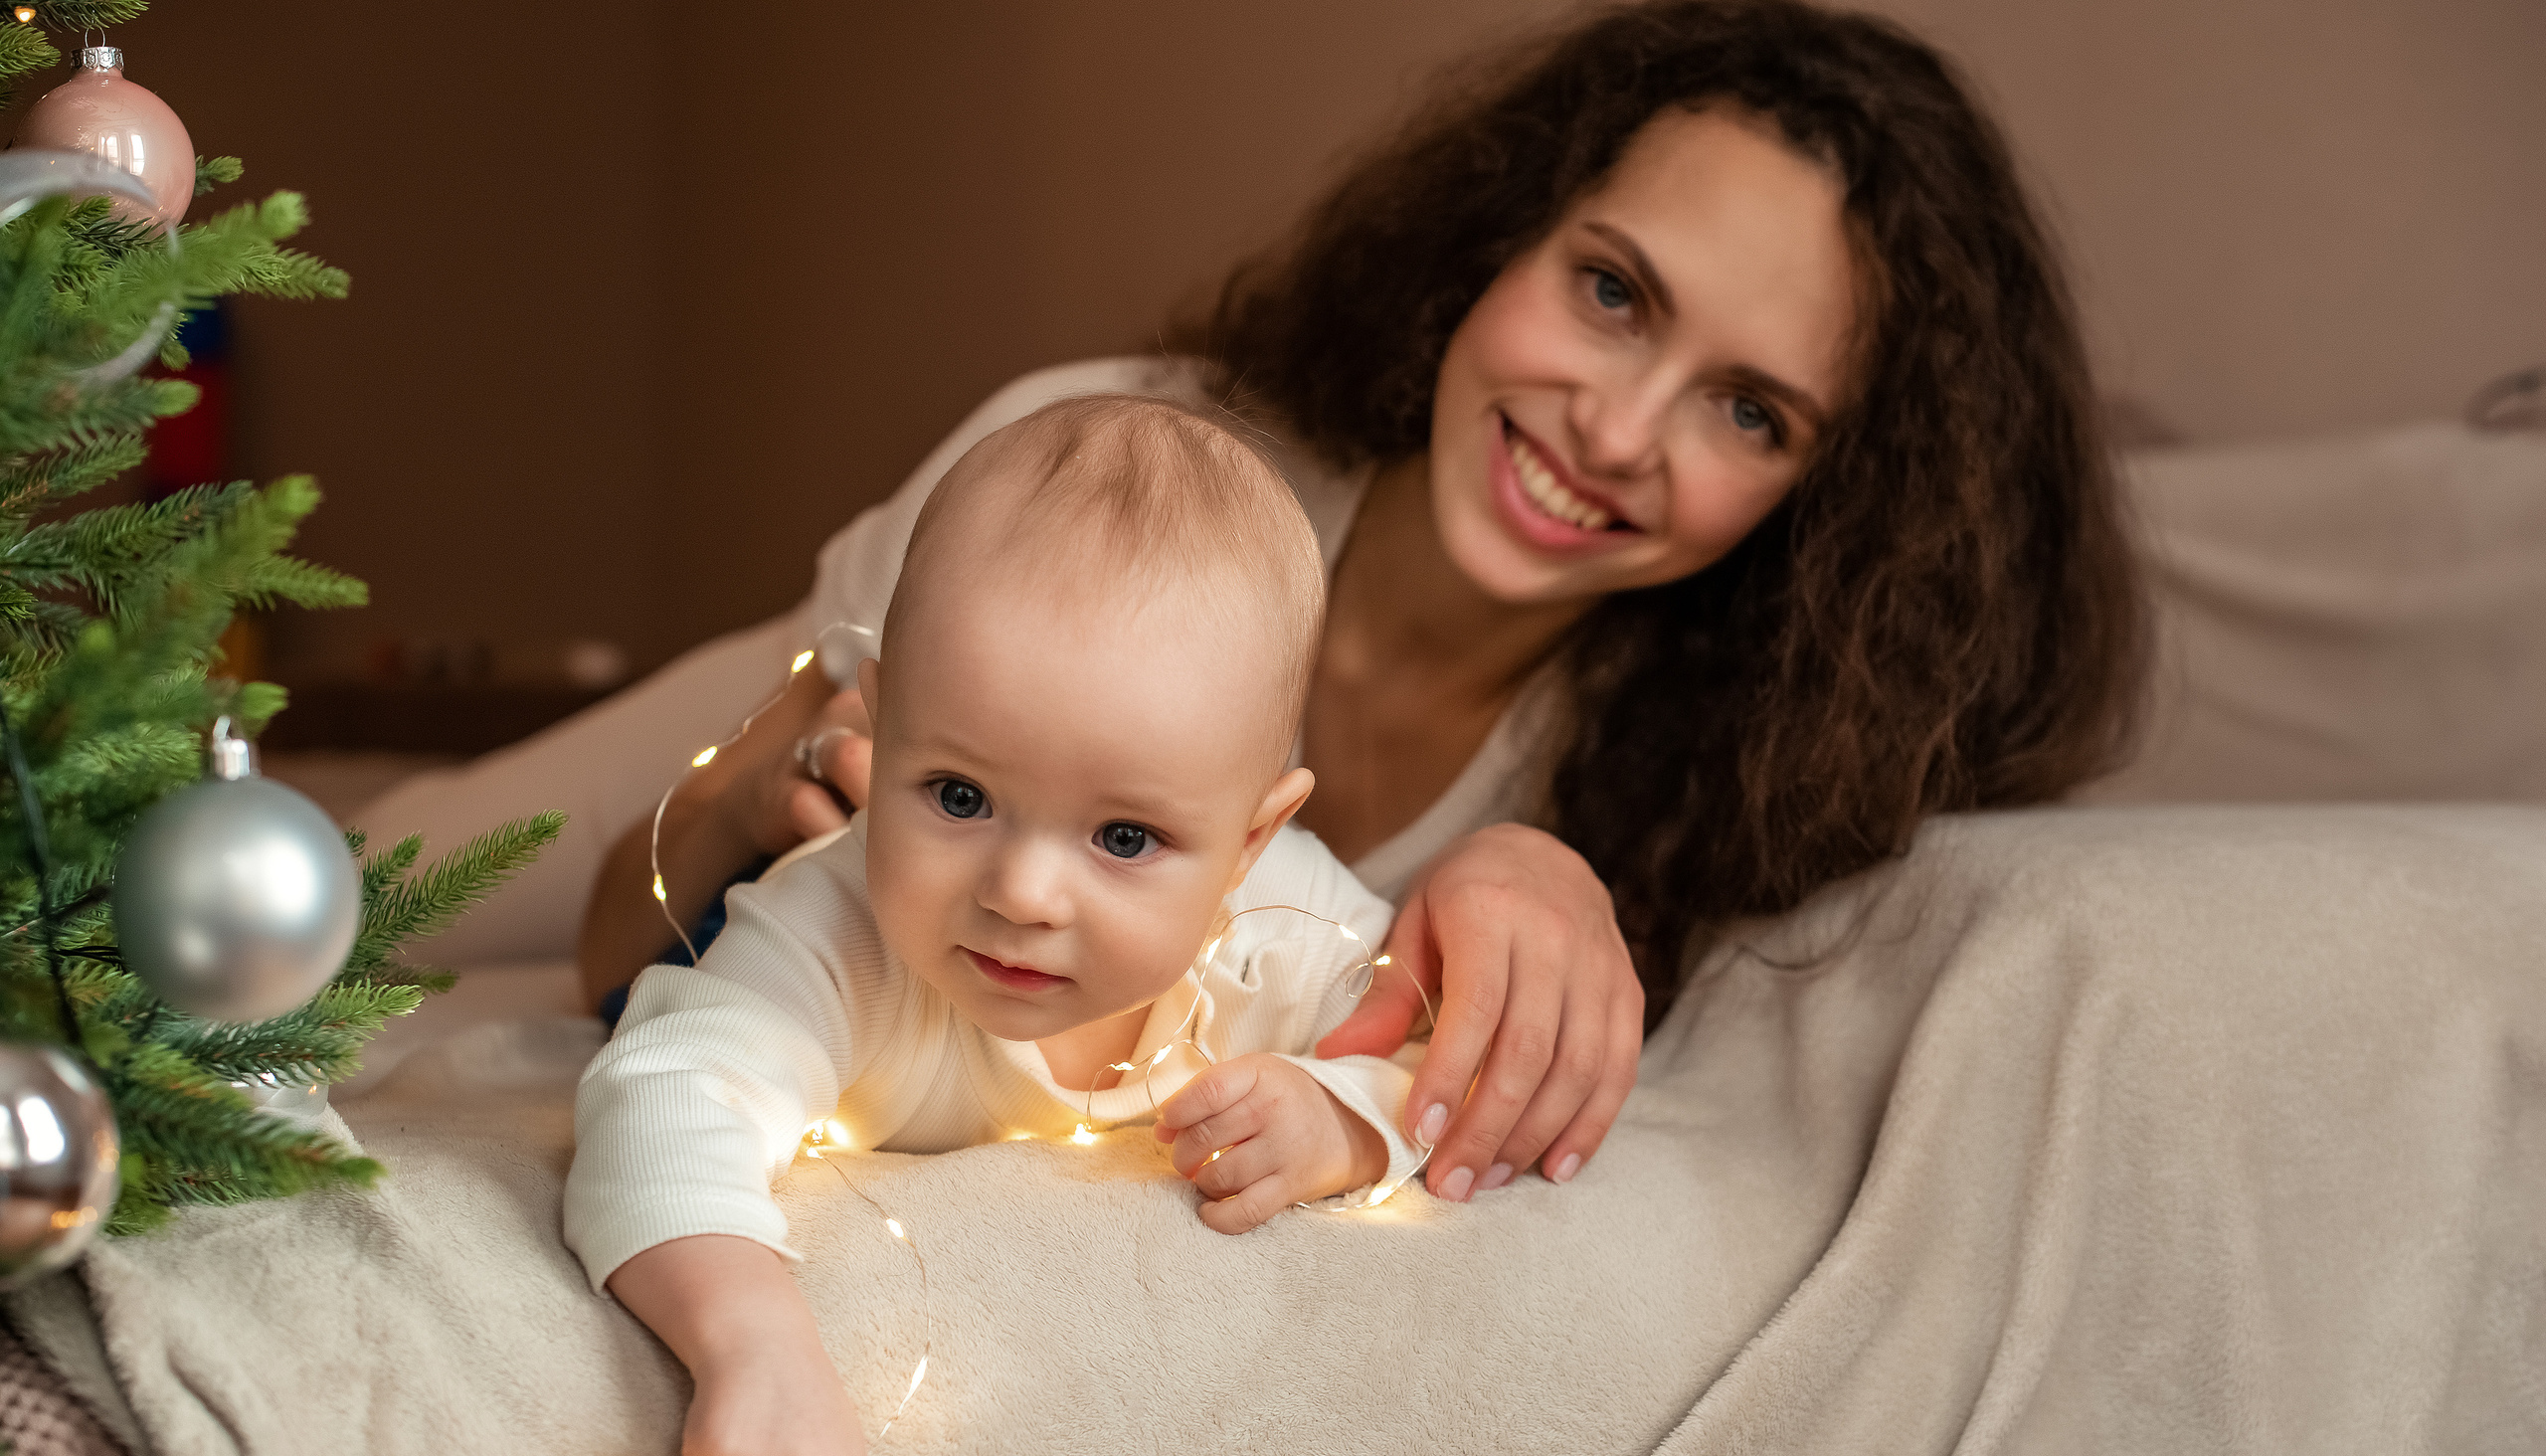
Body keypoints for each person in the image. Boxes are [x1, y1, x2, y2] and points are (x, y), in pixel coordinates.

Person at [575, 0, 2143, 1206]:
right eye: (1612, 292)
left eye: (1749, 411)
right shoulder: (1067, 474)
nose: (1614, 430)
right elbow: (610, 962)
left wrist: (1539, 872)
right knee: (415, 863)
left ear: (1831, 502)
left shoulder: (1691, 774)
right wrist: (758, 777)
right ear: (1495, 238)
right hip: (768, 696)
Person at [569, 396, 1433, 1456]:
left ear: (1250, 838)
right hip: (750, 931)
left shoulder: (1284, 921)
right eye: (960, 794)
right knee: (644, 985)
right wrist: (750, 1339)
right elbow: (658, 1097)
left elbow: (1444, 1063)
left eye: (1123, 834)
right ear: (888, 719)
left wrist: (1341, 1118)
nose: (1023, 893)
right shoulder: (844, 926)